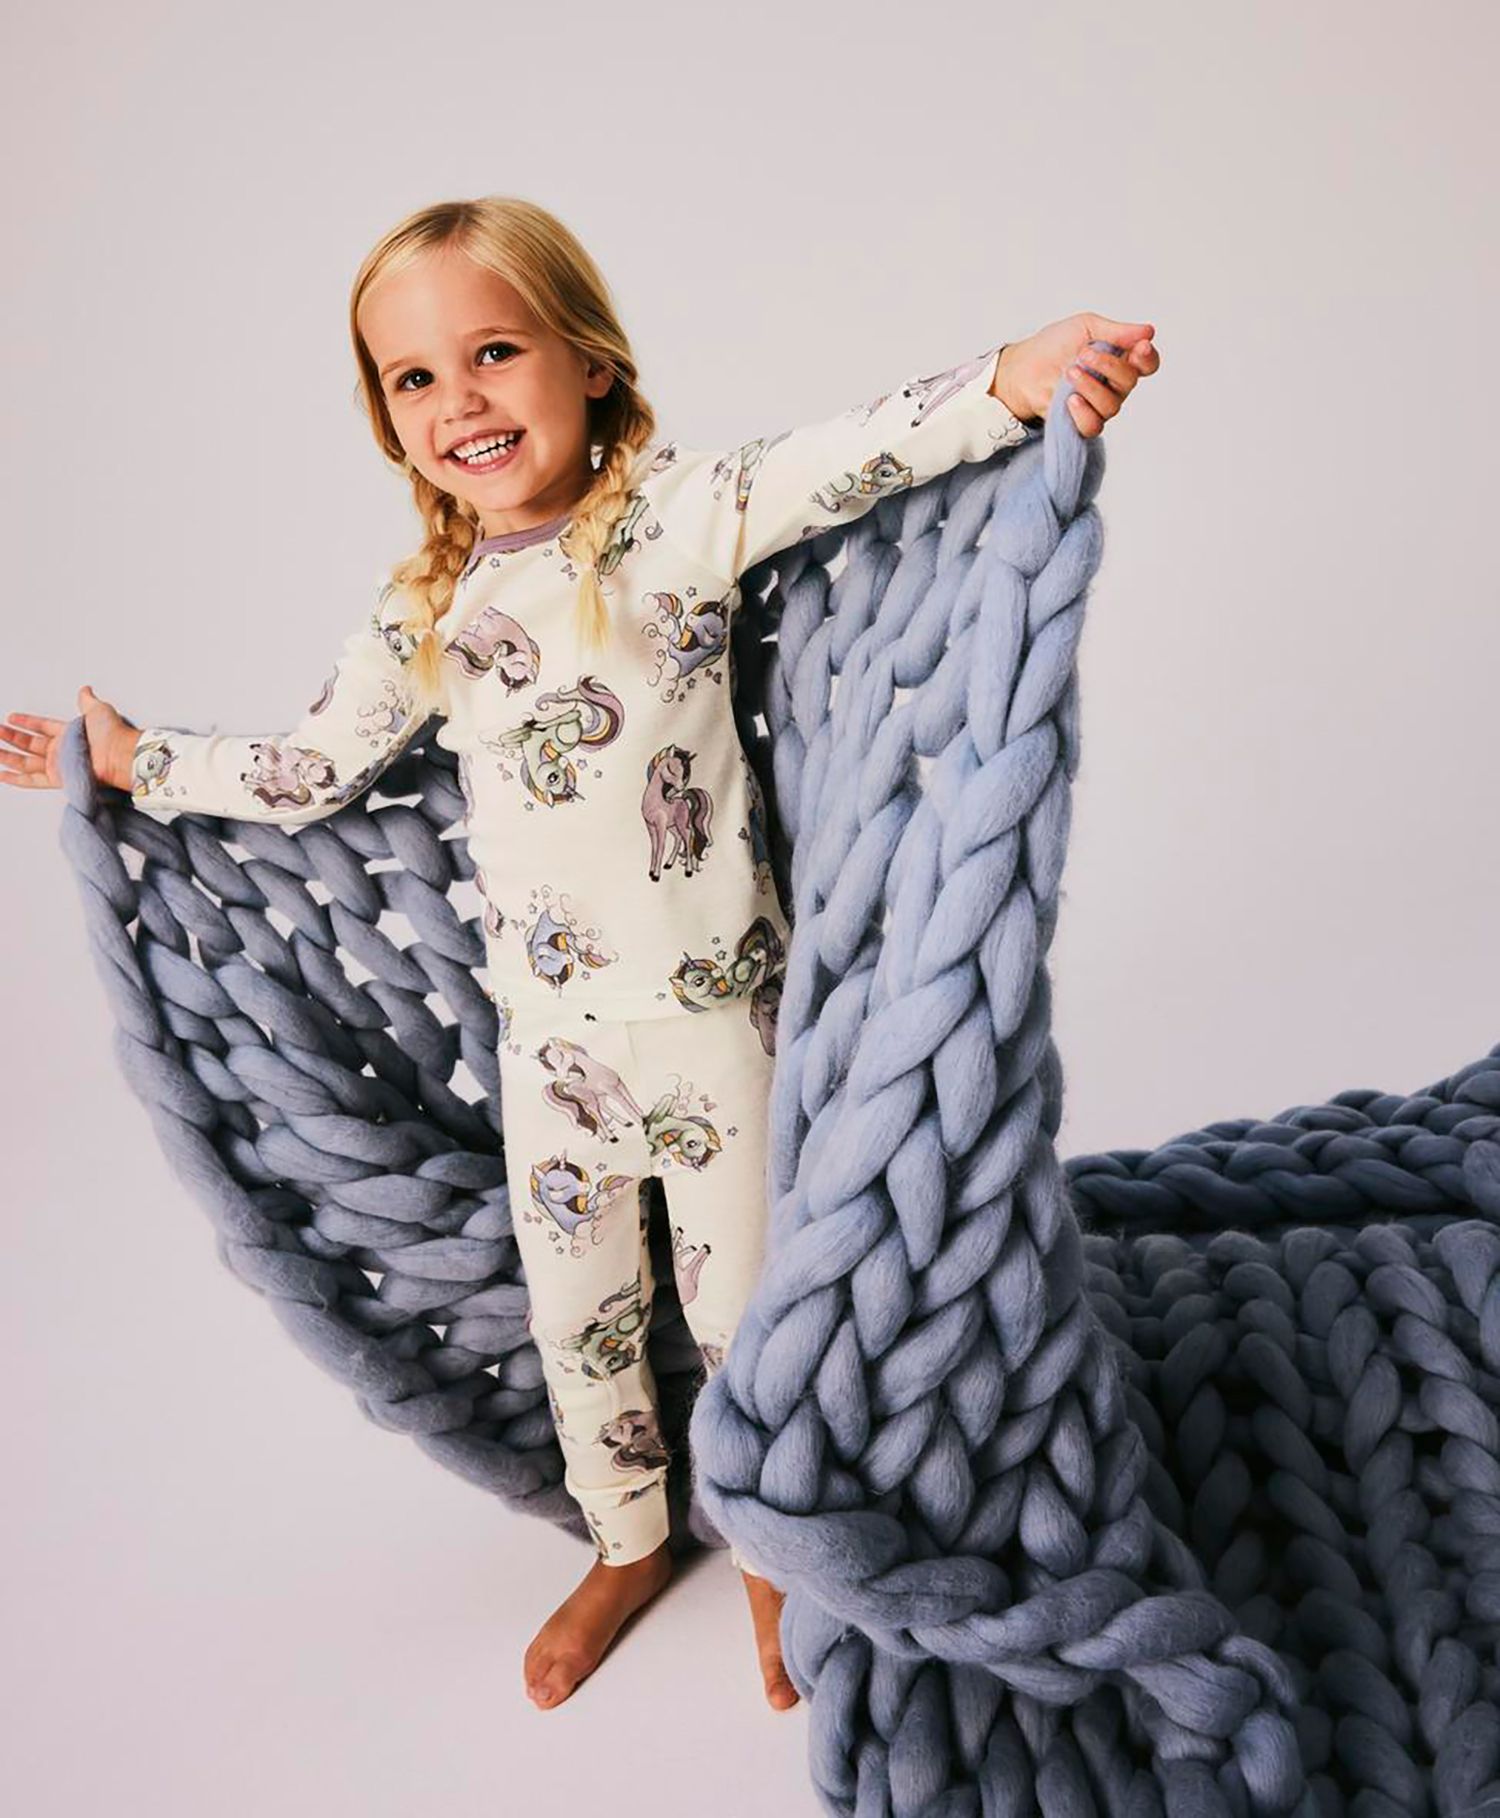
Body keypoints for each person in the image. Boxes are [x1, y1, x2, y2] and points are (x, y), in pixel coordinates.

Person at [1, 193, 1160, 1714]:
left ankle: (769, 1556)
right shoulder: (427, 605)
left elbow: (851, 454)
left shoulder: (679, 518)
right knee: (582, 1328)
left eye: (495, 352)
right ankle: (629, 1539)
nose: (461, 401)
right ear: (387, 417)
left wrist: (1016, 373)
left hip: (715, 1032)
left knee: (744, 1322)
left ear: (591, 360)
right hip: (553, 1051)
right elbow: (312, 769)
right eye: (415, 378)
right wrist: (136, 759)